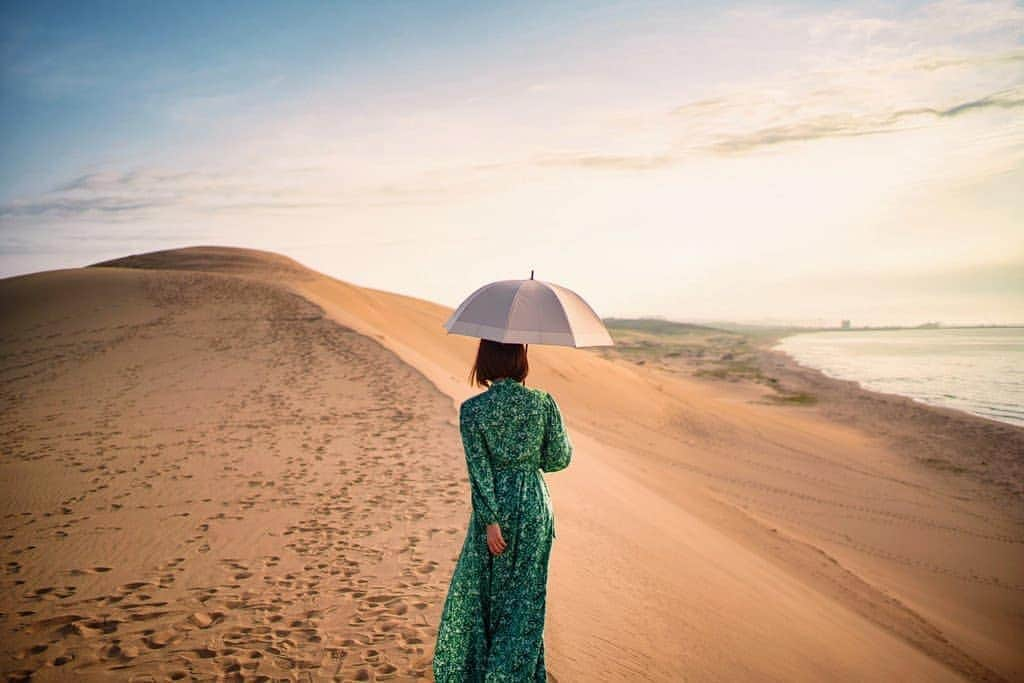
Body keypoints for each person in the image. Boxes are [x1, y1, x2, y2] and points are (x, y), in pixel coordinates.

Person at [432, 338, 573, 682]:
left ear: (485, 361)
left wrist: (490, 521)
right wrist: (529, 456)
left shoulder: (473, 410)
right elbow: (559, 458)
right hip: (534, 509)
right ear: (519, 359)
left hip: (494, 510)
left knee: (486, 596)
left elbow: (478, 471)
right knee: (526, 598)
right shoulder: (543, 403)